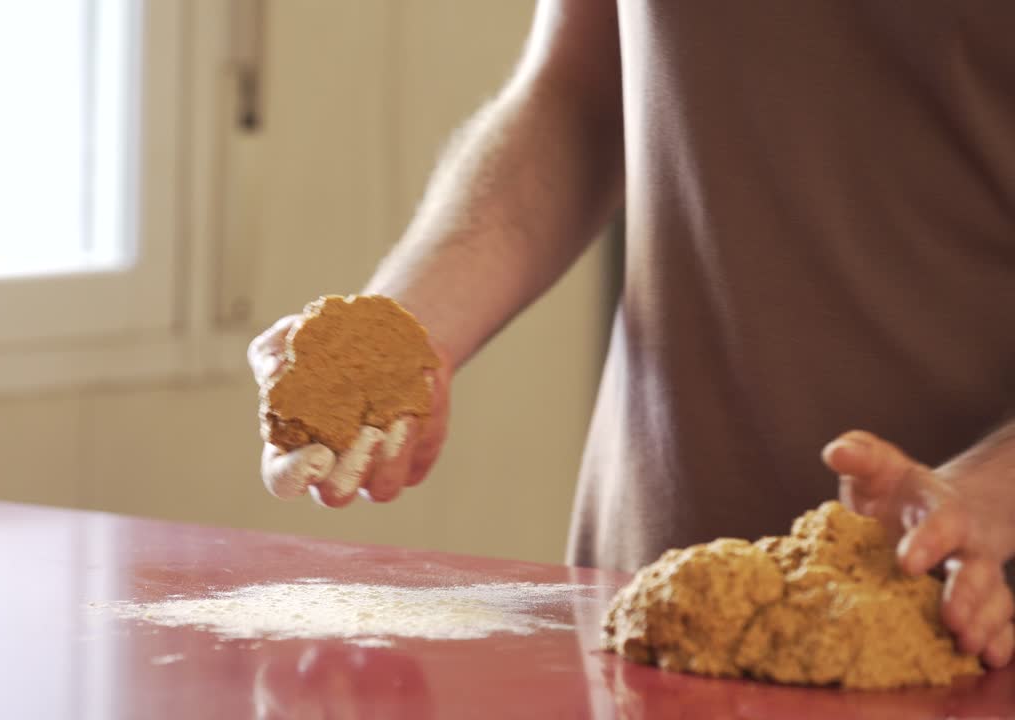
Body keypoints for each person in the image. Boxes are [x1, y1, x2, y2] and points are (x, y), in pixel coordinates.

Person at [247, 0, 1015, 668]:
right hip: (651, 596)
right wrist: (396, 341)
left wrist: (980, 503)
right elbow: (581, 89)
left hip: (968, 612)